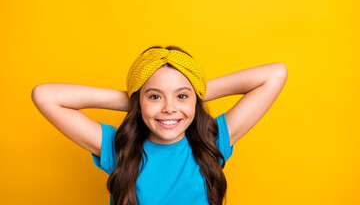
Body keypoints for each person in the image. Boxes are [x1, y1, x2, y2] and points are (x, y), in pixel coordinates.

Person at [31, 45, 288, 205]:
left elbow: (275, 74)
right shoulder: (117, 148)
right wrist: (135, 99)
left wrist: (193, 94)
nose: (169, 107)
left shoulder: (213, 141)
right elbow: (45, 95)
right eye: (155, 96)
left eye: (181, 96)